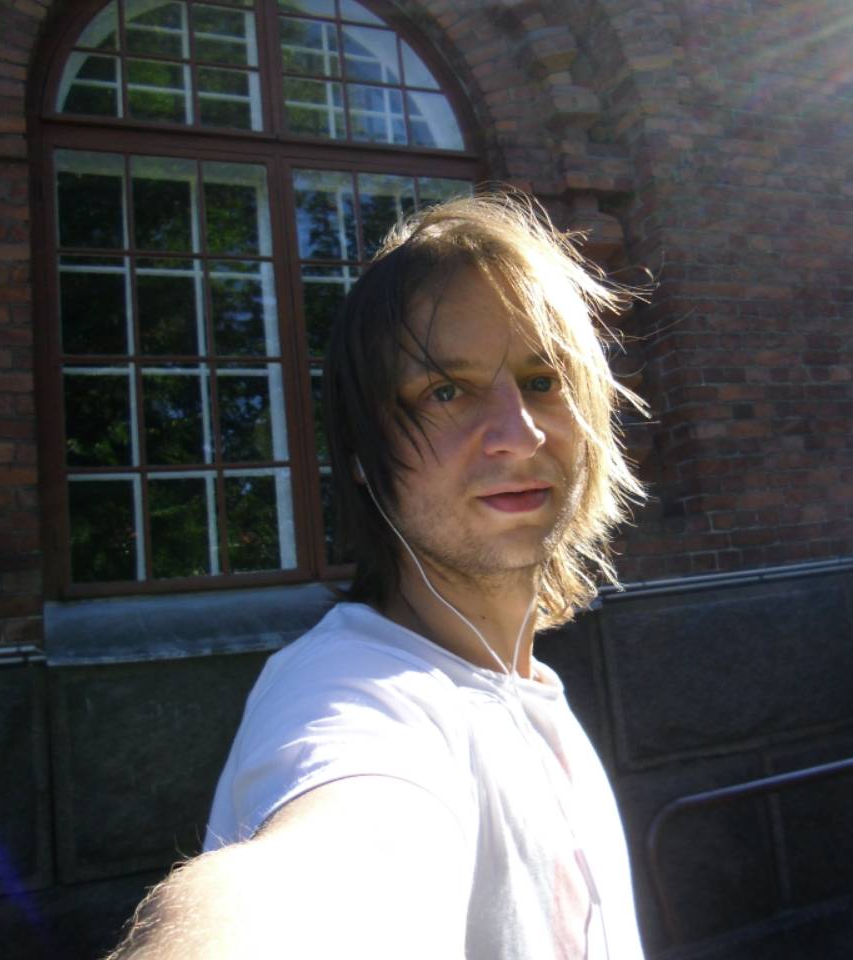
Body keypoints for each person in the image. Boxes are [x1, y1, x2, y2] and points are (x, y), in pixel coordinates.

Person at [107, 193, 647, 960]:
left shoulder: (532, 688)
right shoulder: (348, 695)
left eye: (541, 380)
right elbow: (323, 873)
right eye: (445, 392)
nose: (520, 434)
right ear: (363, 456)